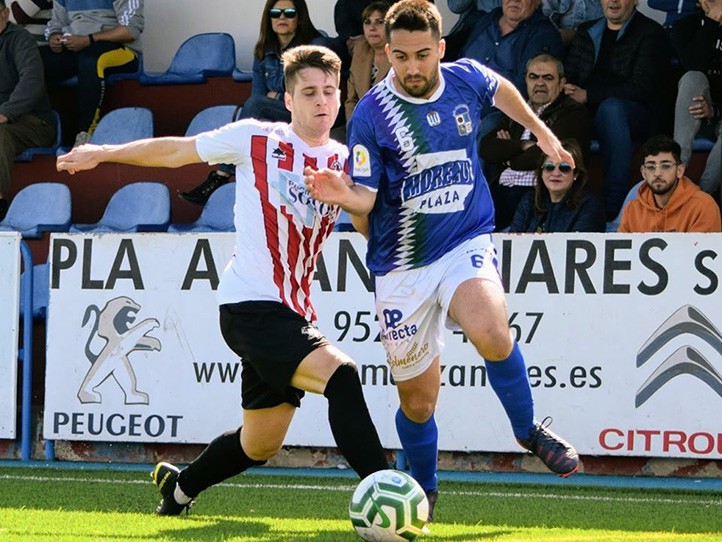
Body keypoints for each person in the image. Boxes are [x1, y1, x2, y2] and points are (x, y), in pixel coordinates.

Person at [56, 45, 389, 516]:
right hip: (250, 304)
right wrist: (103, 152)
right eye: (309, 92)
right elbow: (175, 150)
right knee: (344, 378)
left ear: (340, 98)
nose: (321, 101)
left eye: (330, 92)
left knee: (259, 444)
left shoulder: (344, 161)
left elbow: (366, 225)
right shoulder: (256, 137)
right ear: (289, 100)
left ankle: (179, 488)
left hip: (290, 312)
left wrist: (354, 201)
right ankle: (385, 496)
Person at [305, 0, 579, 520]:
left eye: (422, 55)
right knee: (418, 404)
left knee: (493, 333)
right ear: (387, 52)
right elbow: (366, 199)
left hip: (463, 241)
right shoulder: (370, 114)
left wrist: (541, 132)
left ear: (441, 50)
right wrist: (341, 194)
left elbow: (503, 91)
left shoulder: (466, 78)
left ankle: (528, 429)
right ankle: (425, 488)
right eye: (401, 56)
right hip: (402, 266)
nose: (411, 67)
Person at [180, 0, 331, 205]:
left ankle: (221, 176)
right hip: (282, 116)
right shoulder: (263, 51)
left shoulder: (316, 45)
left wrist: (276, 97)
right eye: (275, 13)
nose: (282, 18)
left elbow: (312, 92)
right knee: (253, 108)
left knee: (255, 106)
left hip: (312, 116)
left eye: (289, 13)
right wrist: (281, 97)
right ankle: (227, 174)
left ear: (300, 17)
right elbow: (259, 96)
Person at [564, 0, 671, 222]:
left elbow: (642, 87)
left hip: (636, 115)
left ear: (635, 1)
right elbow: (572, 72)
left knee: (611, 109)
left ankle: (614, 208)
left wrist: (589, 95)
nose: (613, 1)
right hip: (589, 111)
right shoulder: (587, 31)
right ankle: (563, 206)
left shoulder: (651, 33)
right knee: (566, 110)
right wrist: (567, 87)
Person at [480, 53, 591, 230]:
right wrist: (523, 145)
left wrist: (508, 157)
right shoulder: (517, 110)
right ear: (526, 80)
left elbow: (540, 157)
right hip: (500, 193)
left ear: (561, 83)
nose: (539, 83)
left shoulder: (573, 112)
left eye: (548, 78)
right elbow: (486, 149)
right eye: (533, 77)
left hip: (537, 197)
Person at [40, 0, 143, 147]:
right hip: (76, 47)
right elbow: (56, 23)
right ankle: (38, 129)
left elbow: (130, 30)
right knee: (34, 60)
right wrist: (54, 36)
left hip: (121, 49)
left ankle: (85, 135)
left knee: (91, 61)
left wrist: (89, 39)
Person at [457, 0, 564, 138]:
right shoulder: (487, 20)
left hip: (496, 111)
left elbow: (525, 88)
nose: (514, 0)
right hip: (458, 98)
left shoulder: (544, 34)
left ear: (538, 2)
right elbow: (460, 59)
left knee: (487, 124)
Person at [0, 0, 56, 220]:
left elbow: (32, 81)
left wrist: (5, 113)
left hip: (34, 122)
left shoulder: (20, 39)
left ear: (5, 14)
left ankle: (1, 200)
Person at [670, 0, 722, 205]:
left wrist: (715, 111)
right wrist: (711, 23)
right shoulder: (685, 26)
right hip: (694, 107)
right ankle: (675, 172)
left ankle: (702, 198)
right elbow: (692, 64)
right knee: (692, 77)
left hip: (718, 112)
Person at [618, 135, 722, 232]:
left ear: (680, 170)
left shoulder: (703, 206)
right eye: (650, 167)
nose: (657, 173)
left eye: (665, 166)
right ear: (643, 173)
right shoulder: (632, 209)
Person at [509, 138, 605, 232]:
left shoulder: (590, 205)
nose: (555, 173)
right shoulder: (529, 200)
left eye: (564, 168)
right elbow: (513, 241)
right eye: (549, 167)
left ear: (576, 174)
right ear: (541, 173)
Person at [340, 1, 391, 138]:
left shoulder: (400, 54)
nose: (372, 28)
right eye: (367, 22)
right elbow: (351, 100)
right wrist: (354, 129)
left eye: (379, 22)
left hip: (390, 129)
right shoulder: (361, 49)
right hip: (360, 127)